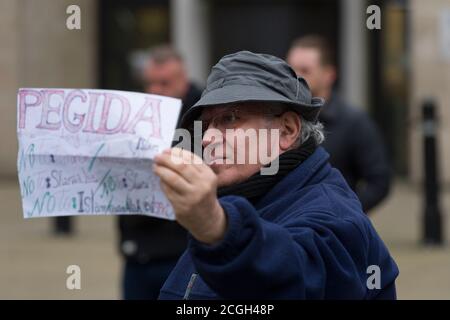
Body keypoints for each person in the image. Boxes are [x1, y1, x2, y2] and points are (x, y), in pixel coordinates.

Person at [153, 51, 399, 299]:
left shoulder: (334, 217)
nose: (206, 138)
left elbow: (292, 278)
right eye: (206, 125)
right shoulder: (247, 194)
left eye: (229, 118)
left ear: (287, 130)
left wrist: (216, 227)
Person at [118, 45, 202, 300]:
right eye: (150, 83)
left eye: (164, 83)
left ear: (183, 79)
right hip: (137, 252)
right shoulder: (133, 113)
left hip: (182, 253)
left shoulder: (206, 117)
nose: (155, 91)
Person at [286, 35, 391, 212]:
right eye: (290, 69)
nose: (294, 77)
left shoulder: (354, 122)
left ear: (329, 75)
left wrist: (342, 212)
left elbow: (379, 182)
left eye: (305, 70)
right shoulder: (278, 117)